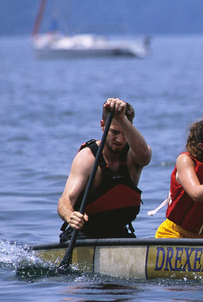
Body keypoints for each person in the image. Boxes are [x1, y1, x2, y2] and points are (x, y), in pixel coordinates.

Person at [57, 98, 152, 241]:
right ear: (103, 125)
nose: (119, 140)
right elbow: (65, 200)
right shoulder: (87, 158)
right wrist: (70, 215)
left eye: (124, 132)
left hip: (119, 233)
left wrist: (121, 118)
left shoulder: (134, 155)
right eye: (114, 132)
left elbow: (145, 155)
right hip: (84, 235)